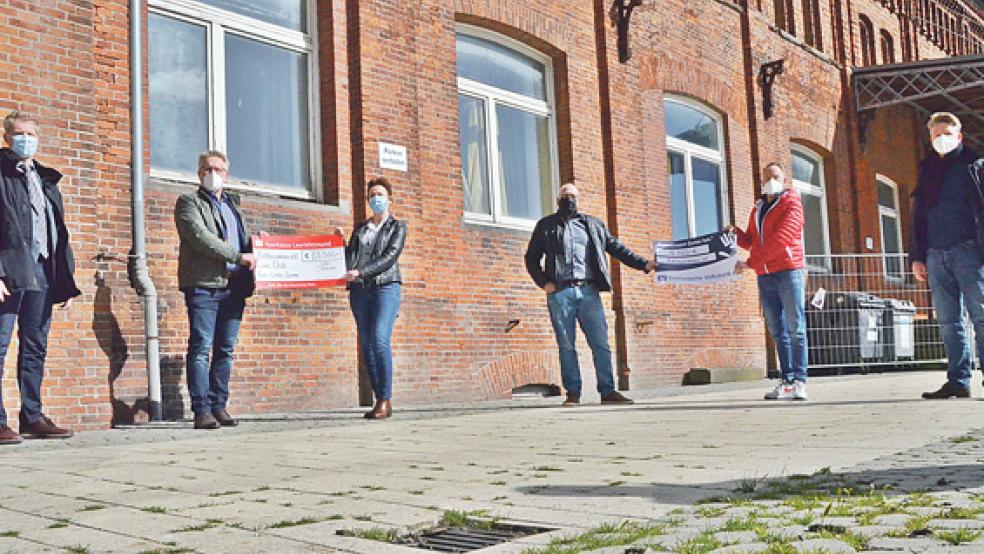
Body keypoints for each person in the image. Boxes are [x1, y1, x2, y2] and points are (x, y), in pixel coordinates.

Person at [525, 182, 656, 407]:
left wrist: (644, 264)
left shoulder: (593, 225)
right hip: (560, 293)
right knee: (566, 345)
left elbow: (617, 248)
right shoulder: (546, 226)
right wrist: (544, 282)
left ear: (579, 199)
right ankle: (573, 394)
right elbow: (531, 258)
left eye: (573, 196)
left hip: (589, 292)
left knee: (600, 343)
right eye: (565, 196)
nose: (569, 199)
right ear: (558, 200)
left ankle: (608, 391)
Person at [0, 111, 81, 444]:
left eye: (31, 133)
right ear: (7, 137)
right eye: (19, 133)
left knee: (35, 347)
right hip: (8, 273)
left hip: (43, 272)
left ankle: (32, 416)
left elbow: (57, 232)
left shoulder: (45, 179)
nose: (26, 138)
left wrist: (64, 278)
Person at [174, 150, 256, 429]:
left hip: (235, 287)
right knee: (200, 347)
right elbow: (200, 237)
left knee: (225, 349)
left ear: (227, 174)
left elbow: (242, 241)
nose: (213, 174)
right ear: (199, 173)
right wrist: (237, 256)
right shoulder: (188, 202)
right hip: (204, 286)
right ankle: (202, 410)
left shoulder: (233, 206)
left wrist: (259, 244)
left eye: (219, 169)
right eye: (208, 169)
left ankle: (219, 406)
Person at [910, 113, 984, 399]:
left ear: (959, 136)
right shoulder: (927, 169)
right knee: (948, 321)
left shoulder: (974, 166)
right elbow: (919, 217)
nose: (941, 139)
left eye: (947, 133)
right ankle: (958, 380)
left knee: (980, 316)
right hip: (935, 255)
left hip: (969, 252)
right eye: (936, 134)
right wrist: (917, 256)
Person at [730, 163, 808, 401]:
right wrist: (735, 233)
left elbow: (781, 240)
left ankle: (800, 381)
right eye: (767, 176)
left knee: (796, 329)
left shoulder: (792, 203)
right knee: (777, 330)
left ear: (783, 178)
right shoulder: (759, 207)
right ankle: (786, 381)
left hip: (788, 271)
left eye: (775, 176)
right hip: (765, 276)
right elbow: (753, 240)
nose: (771, 179)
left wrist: (750, 264)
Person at [337, 178, 407, 420]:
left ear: (389, 199)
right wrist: (340, 244)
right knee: (366, 344)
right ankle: (380, 399)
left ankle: (386, 398)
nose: (376, 199)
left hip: (386, 286)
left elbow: (390, 256)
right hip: (360, 291)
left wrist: (362, 271)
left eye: (380, 194)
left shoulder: (397, 227)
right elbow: (350, 260)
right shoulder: (361, 229)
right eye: (372, 195)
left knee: (379, 338)